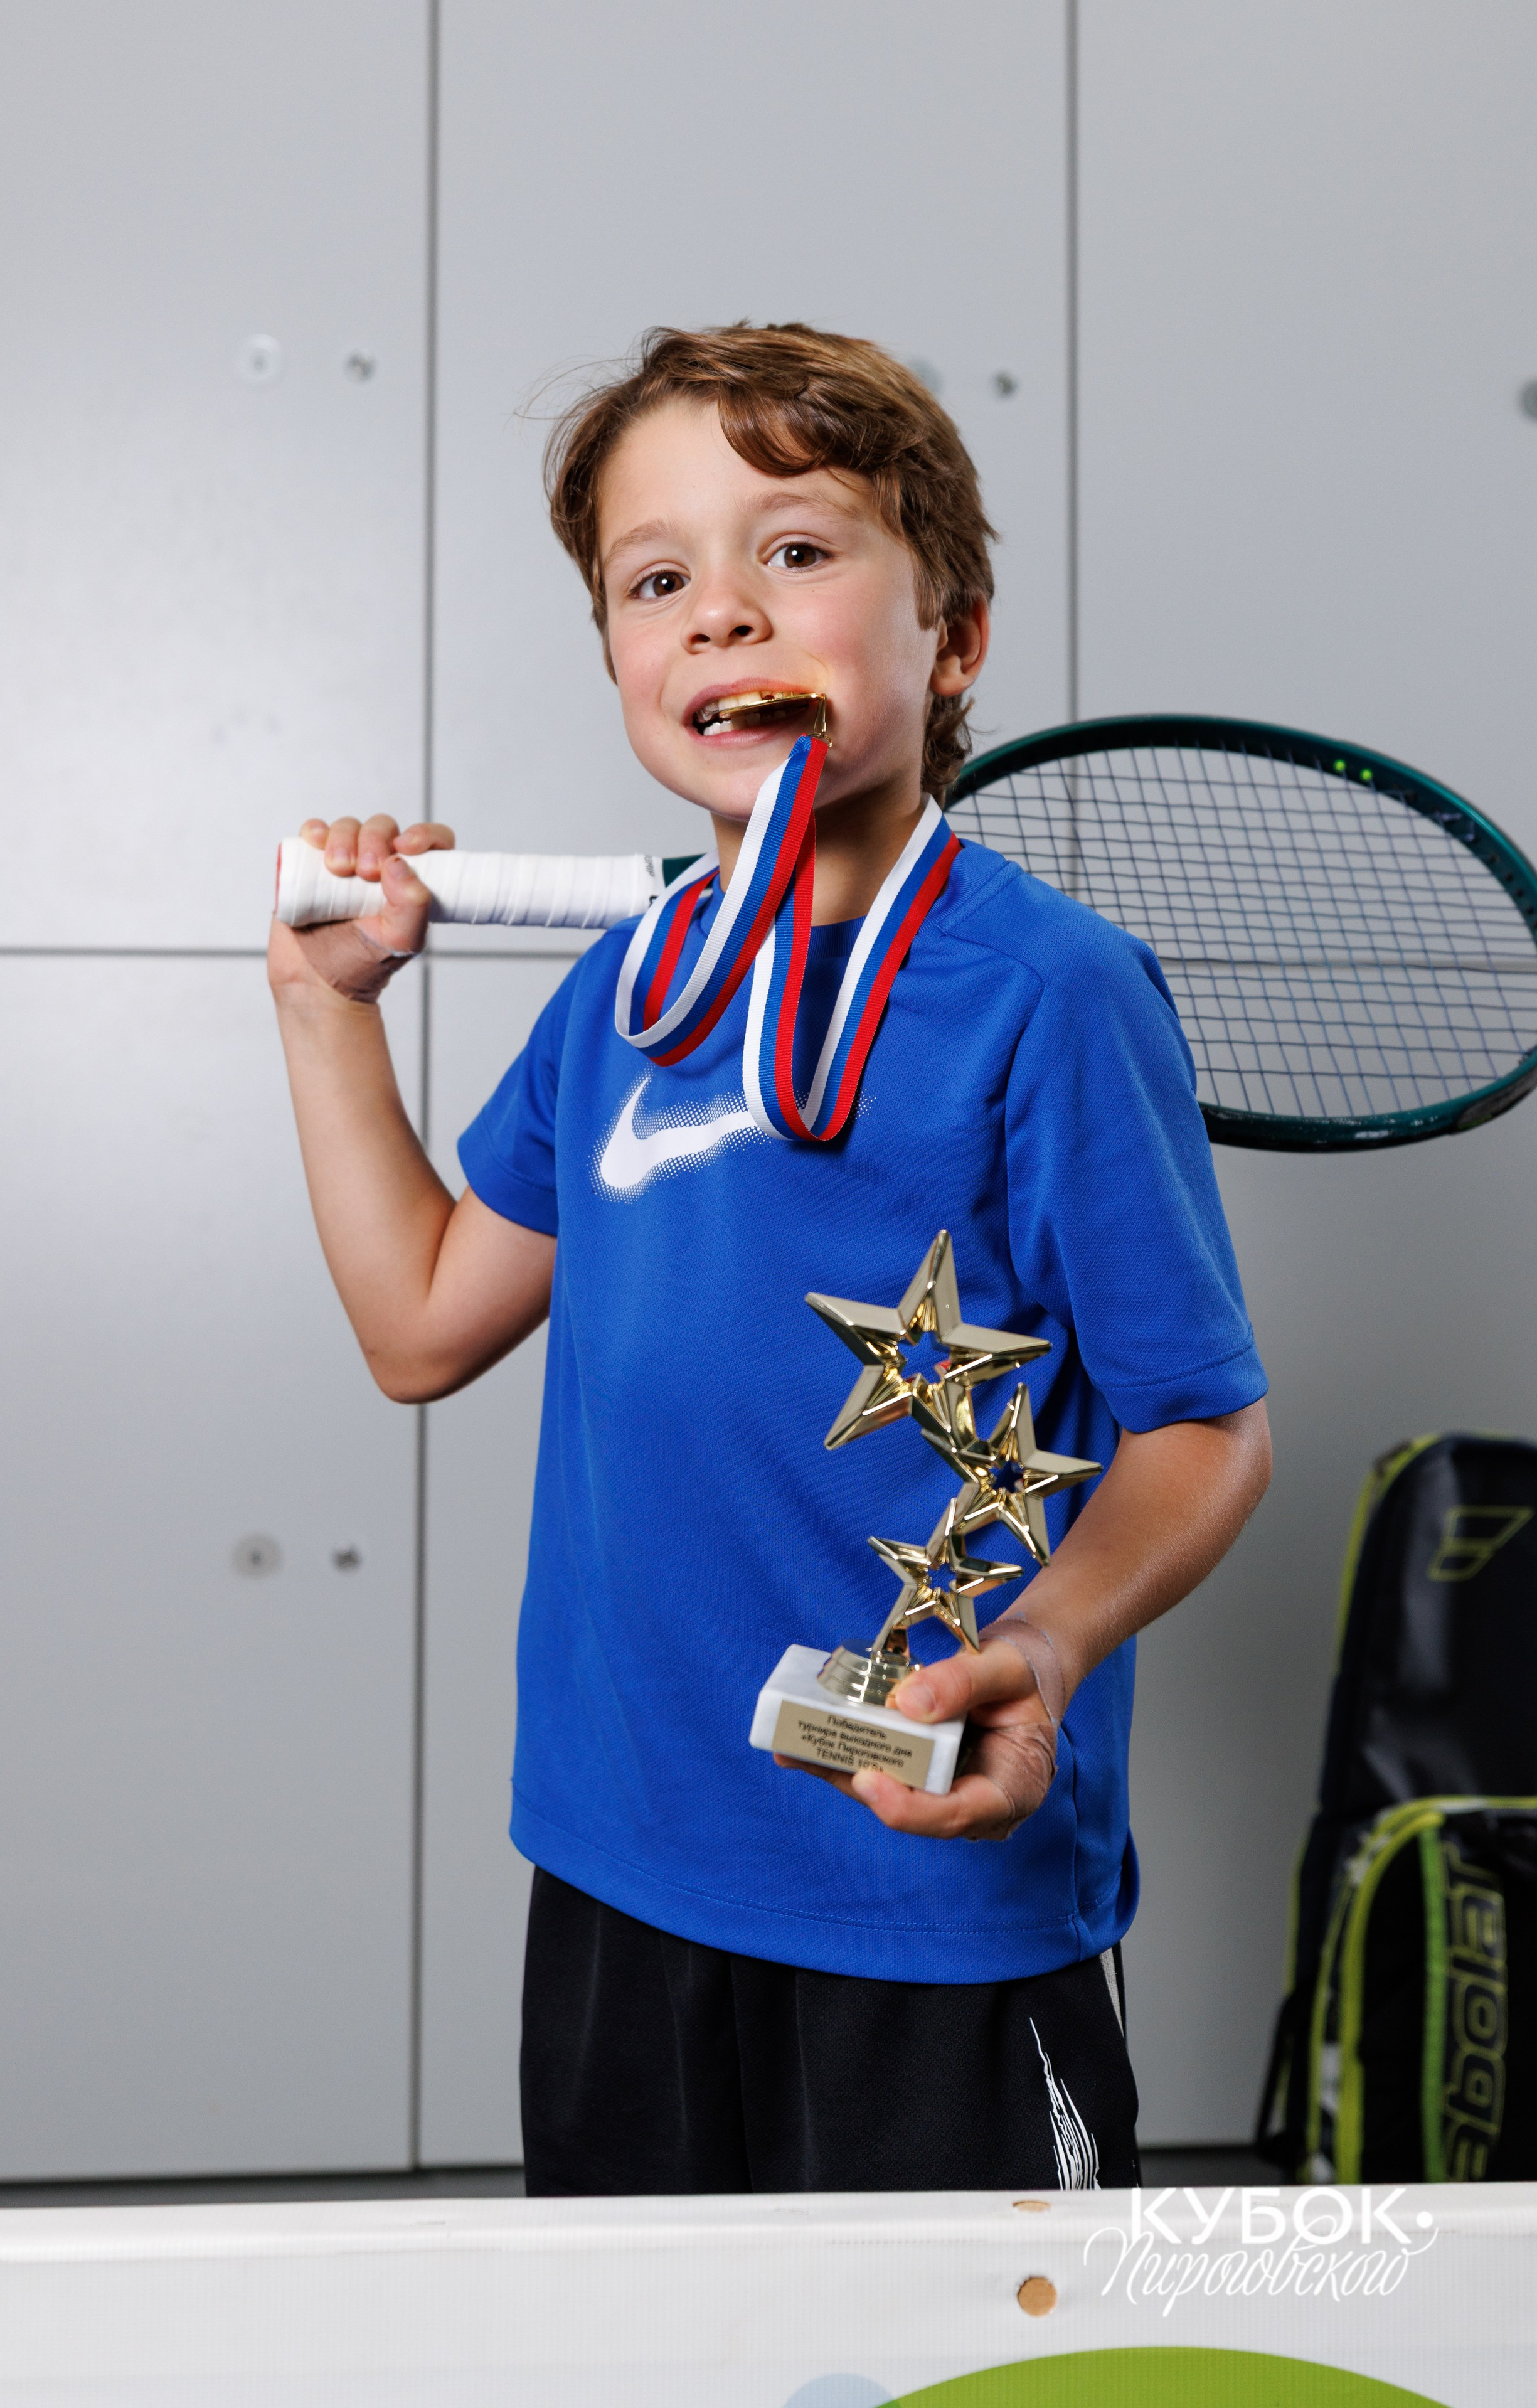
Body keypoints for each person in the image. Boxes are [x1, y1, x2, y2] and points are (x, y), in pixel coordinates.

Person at [269, 322, 1272, 2197]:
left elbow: (1207, 1434)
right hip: (619, 1865)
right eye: (659, 582)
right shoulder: (621, 994)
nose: (721, 612)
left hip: (925, 1885)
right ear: (627, 666)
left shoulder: (1047, 996)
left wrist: (1040, 1648)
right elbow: (418, 1327)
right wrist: (327, 1013)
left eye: (796, 552)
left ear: (950, 635)